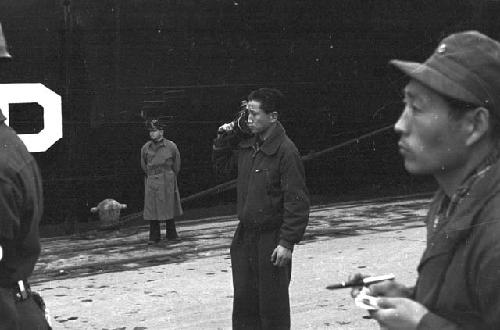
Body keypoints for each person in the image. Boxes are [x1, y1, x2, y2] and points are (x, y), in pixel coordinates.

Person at [351, 31, 500, 329]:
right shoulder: (451, 199)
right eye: (404, 105)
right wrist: (410, 298)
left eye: (417, 108)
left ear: (475, 125)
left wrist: (421, 324)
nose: (399, 124)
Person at [213, 88, 310, 329]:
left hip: (271, 240)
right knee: (245, 305)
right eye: (247, 113)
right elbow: (222, 168)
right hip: (245, 237)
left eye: (255, 114)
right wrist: (224, 138)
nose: (249, 119)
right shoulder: (247, 145)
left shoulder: (286, 152)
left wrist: (287, 243)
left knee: (272, 307)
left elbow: (296, 202)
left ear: (273, 117)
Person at [141, 119, 183, 244]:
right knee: (152, 208)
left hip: (167, 180)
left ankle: (172, 234)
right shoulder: (145, 147)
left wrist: (169, 175)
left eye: (154, 131)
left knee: (169, 206)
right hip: (152, 180)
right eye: (150, 131)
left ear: (161, 131)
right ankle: (154, 236)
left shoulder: (171, 146)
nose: (152, 134)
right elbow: (143, 165)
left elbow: (176, 165)